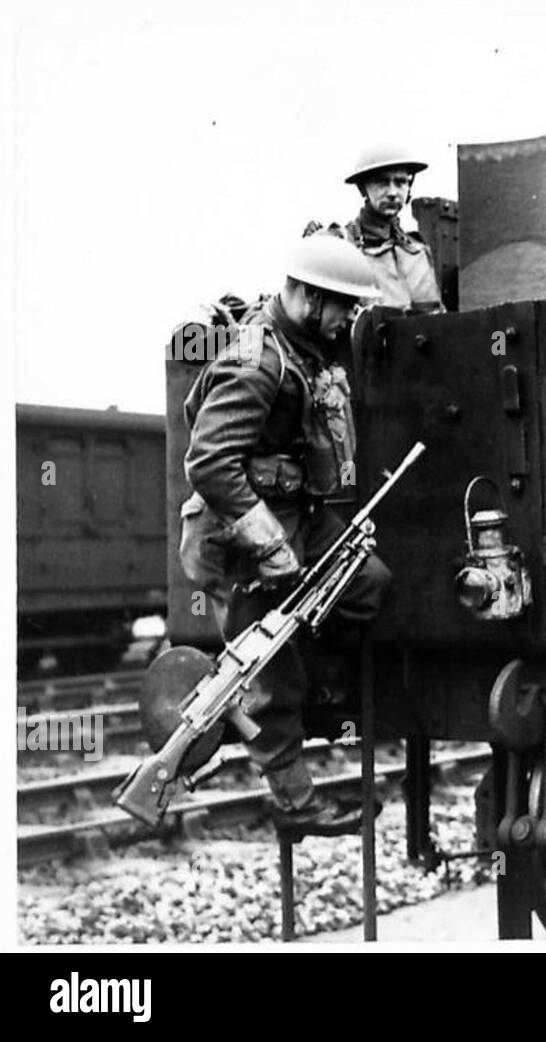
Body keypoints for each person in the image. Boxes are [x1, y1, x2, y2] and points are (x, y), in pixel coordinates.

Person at [178, 236, 392, 836]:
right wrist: (271, 546)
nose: (349, 318)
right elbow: (211, 465)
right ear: (308, 296)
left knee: (368, 583)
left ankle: (309, 670)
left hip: (295, 513)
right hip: (240, 534)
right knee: (267, 677)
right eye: (344, 306)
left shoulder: (304, 344)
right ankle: (296, 806)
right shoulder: (257, 362)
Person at [308, 145, 444, 310]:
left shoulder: (418, 250)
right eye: (382, 182)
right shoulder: (340, 245)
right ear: (362, 188)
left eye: (401, 182)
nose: (393, 192)